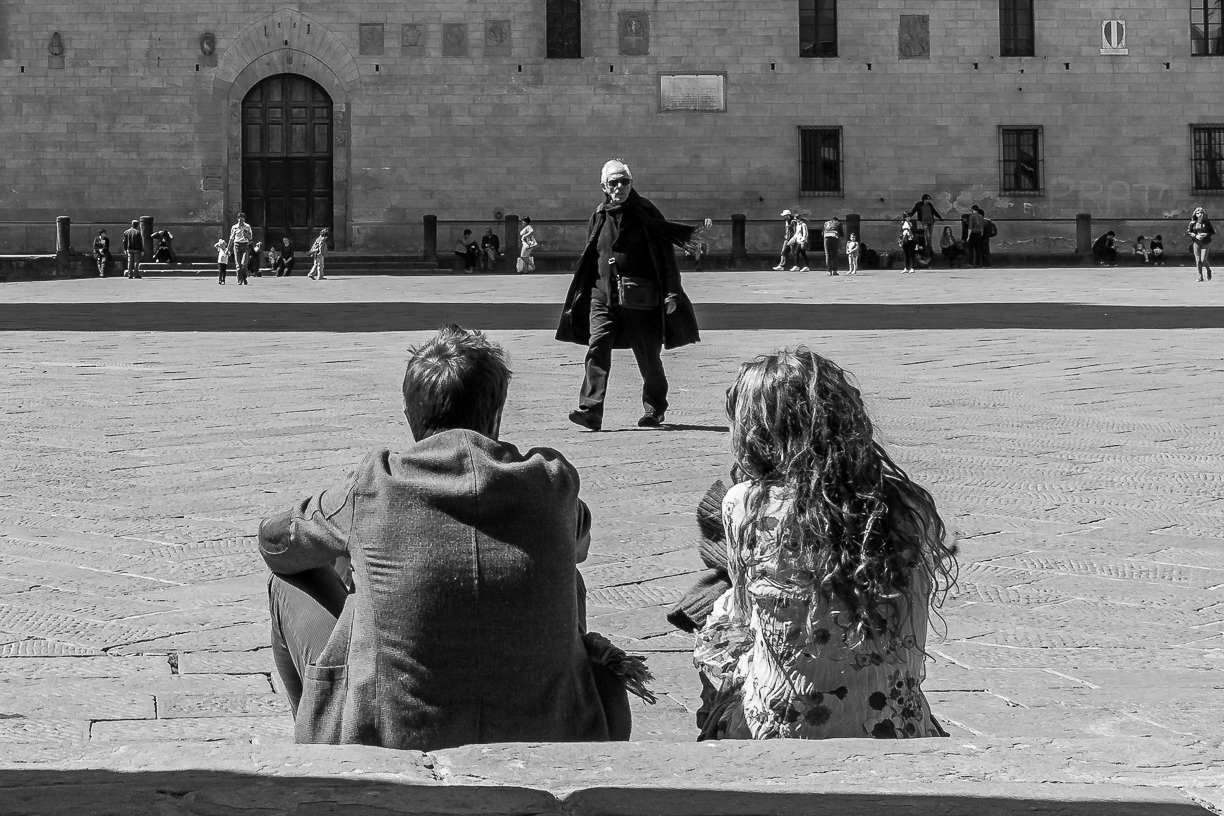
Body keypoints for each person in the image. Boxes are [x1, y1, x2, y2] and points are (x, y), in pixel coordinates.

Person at [261, 325, 644, 749]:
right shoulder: (551, 481)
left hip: (392, 739)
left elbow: (276, 543)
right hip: (552, 735)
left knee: (288, 581)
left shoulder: (376, 484)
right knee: (568, 575)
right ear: (497, 414)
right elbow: (579, 547)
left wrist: (347, 556)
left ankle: (323, 744)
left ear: (410, 416)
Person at [693, 347, 959, 741]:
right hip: (897, 724)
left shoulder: (745, 503)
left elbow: (746, 615)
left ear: (756, 431)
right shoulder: (910, 504)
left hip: (780, 727)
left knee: (717, 621)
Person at [557, 159, 699, 431]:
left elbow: (665, 256)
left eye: (625, 181)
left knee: (648, 357)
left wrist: (671, 294)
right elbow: (592, 254)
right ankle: (590, 410)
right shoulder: (599, 214)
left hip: (640, 299)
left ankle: (654, 409)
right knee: (597, 347)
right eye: (614, 182)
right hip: (603, 296)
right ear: (604, 186)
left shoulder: (646, 212)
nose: (620, 187)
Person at [1187, 207, 1215, 281]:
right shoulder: (1193, 223)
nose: (1200, 214)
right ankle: (1200, 276)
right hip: (1196, 242)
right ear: (1195, 214)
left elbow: (1212, 232)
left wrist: (1205, 234)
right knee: (1198, 260)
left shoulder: (1207, 222)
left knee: (1203, 259)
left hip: (1205, 242)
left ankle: (1208, 270)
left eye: (1201, 213)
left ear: (1203, 214)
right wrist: (1195, 236)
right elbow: (1189, 232)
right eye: (1198, 213)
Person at [228, 213, 254, 277]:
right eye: (239, 217)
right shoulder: (234, 227)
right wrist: (228, 248)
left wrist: (247, 235)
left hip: (245, 245)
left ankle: (244, 277)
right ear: (237, 218)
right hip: (237, 245)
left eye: (242, 217)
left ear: (244, 219)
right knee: (238, 265)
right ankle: (240, 279)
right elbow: (231, 238)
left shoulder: (247, 227)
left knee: (244, 263)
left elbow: (250, 238)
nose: (240, 219)